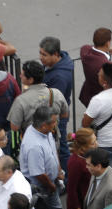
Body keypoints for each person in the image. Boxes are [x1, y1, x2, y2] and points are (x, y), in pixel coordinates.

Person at [18, 107, 68, 209]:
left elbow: (53, 151)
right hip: (42, 184)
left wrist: (58, 170)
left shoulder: (44, 132)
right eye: (53, 122)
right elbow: (38, 173)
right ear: (44, 125)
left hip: (50, 179)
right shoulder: (34, 145)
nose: (56, 124)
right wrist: (51, 186)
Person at [8, 60, 69, 139]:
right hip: (52, 138)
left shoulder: (21, 100)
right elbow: (64, 115)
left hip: (30, 140)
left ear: (30, 80)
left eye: (22, 75)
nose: (20, 76)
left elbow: (14, 127)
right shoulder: (56, 93)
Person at [40, 36, 74, 174]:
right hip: (55, 114)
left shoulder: (59, 77)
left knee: (60, 147)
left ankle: (65, 175)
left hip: (56, 116)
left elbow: (54, 103)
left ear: (55, 54)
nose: (41, 58)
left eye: (44, 55)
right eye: (40, 53)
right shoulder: (56, 64)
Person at [80, 28, 112, 108]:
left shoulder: (85, 52)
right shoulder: (107, 64)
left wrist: (106, 50)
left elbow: (87, 47)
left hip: (88, 96)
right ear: (108, 43)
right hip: (103, 102)